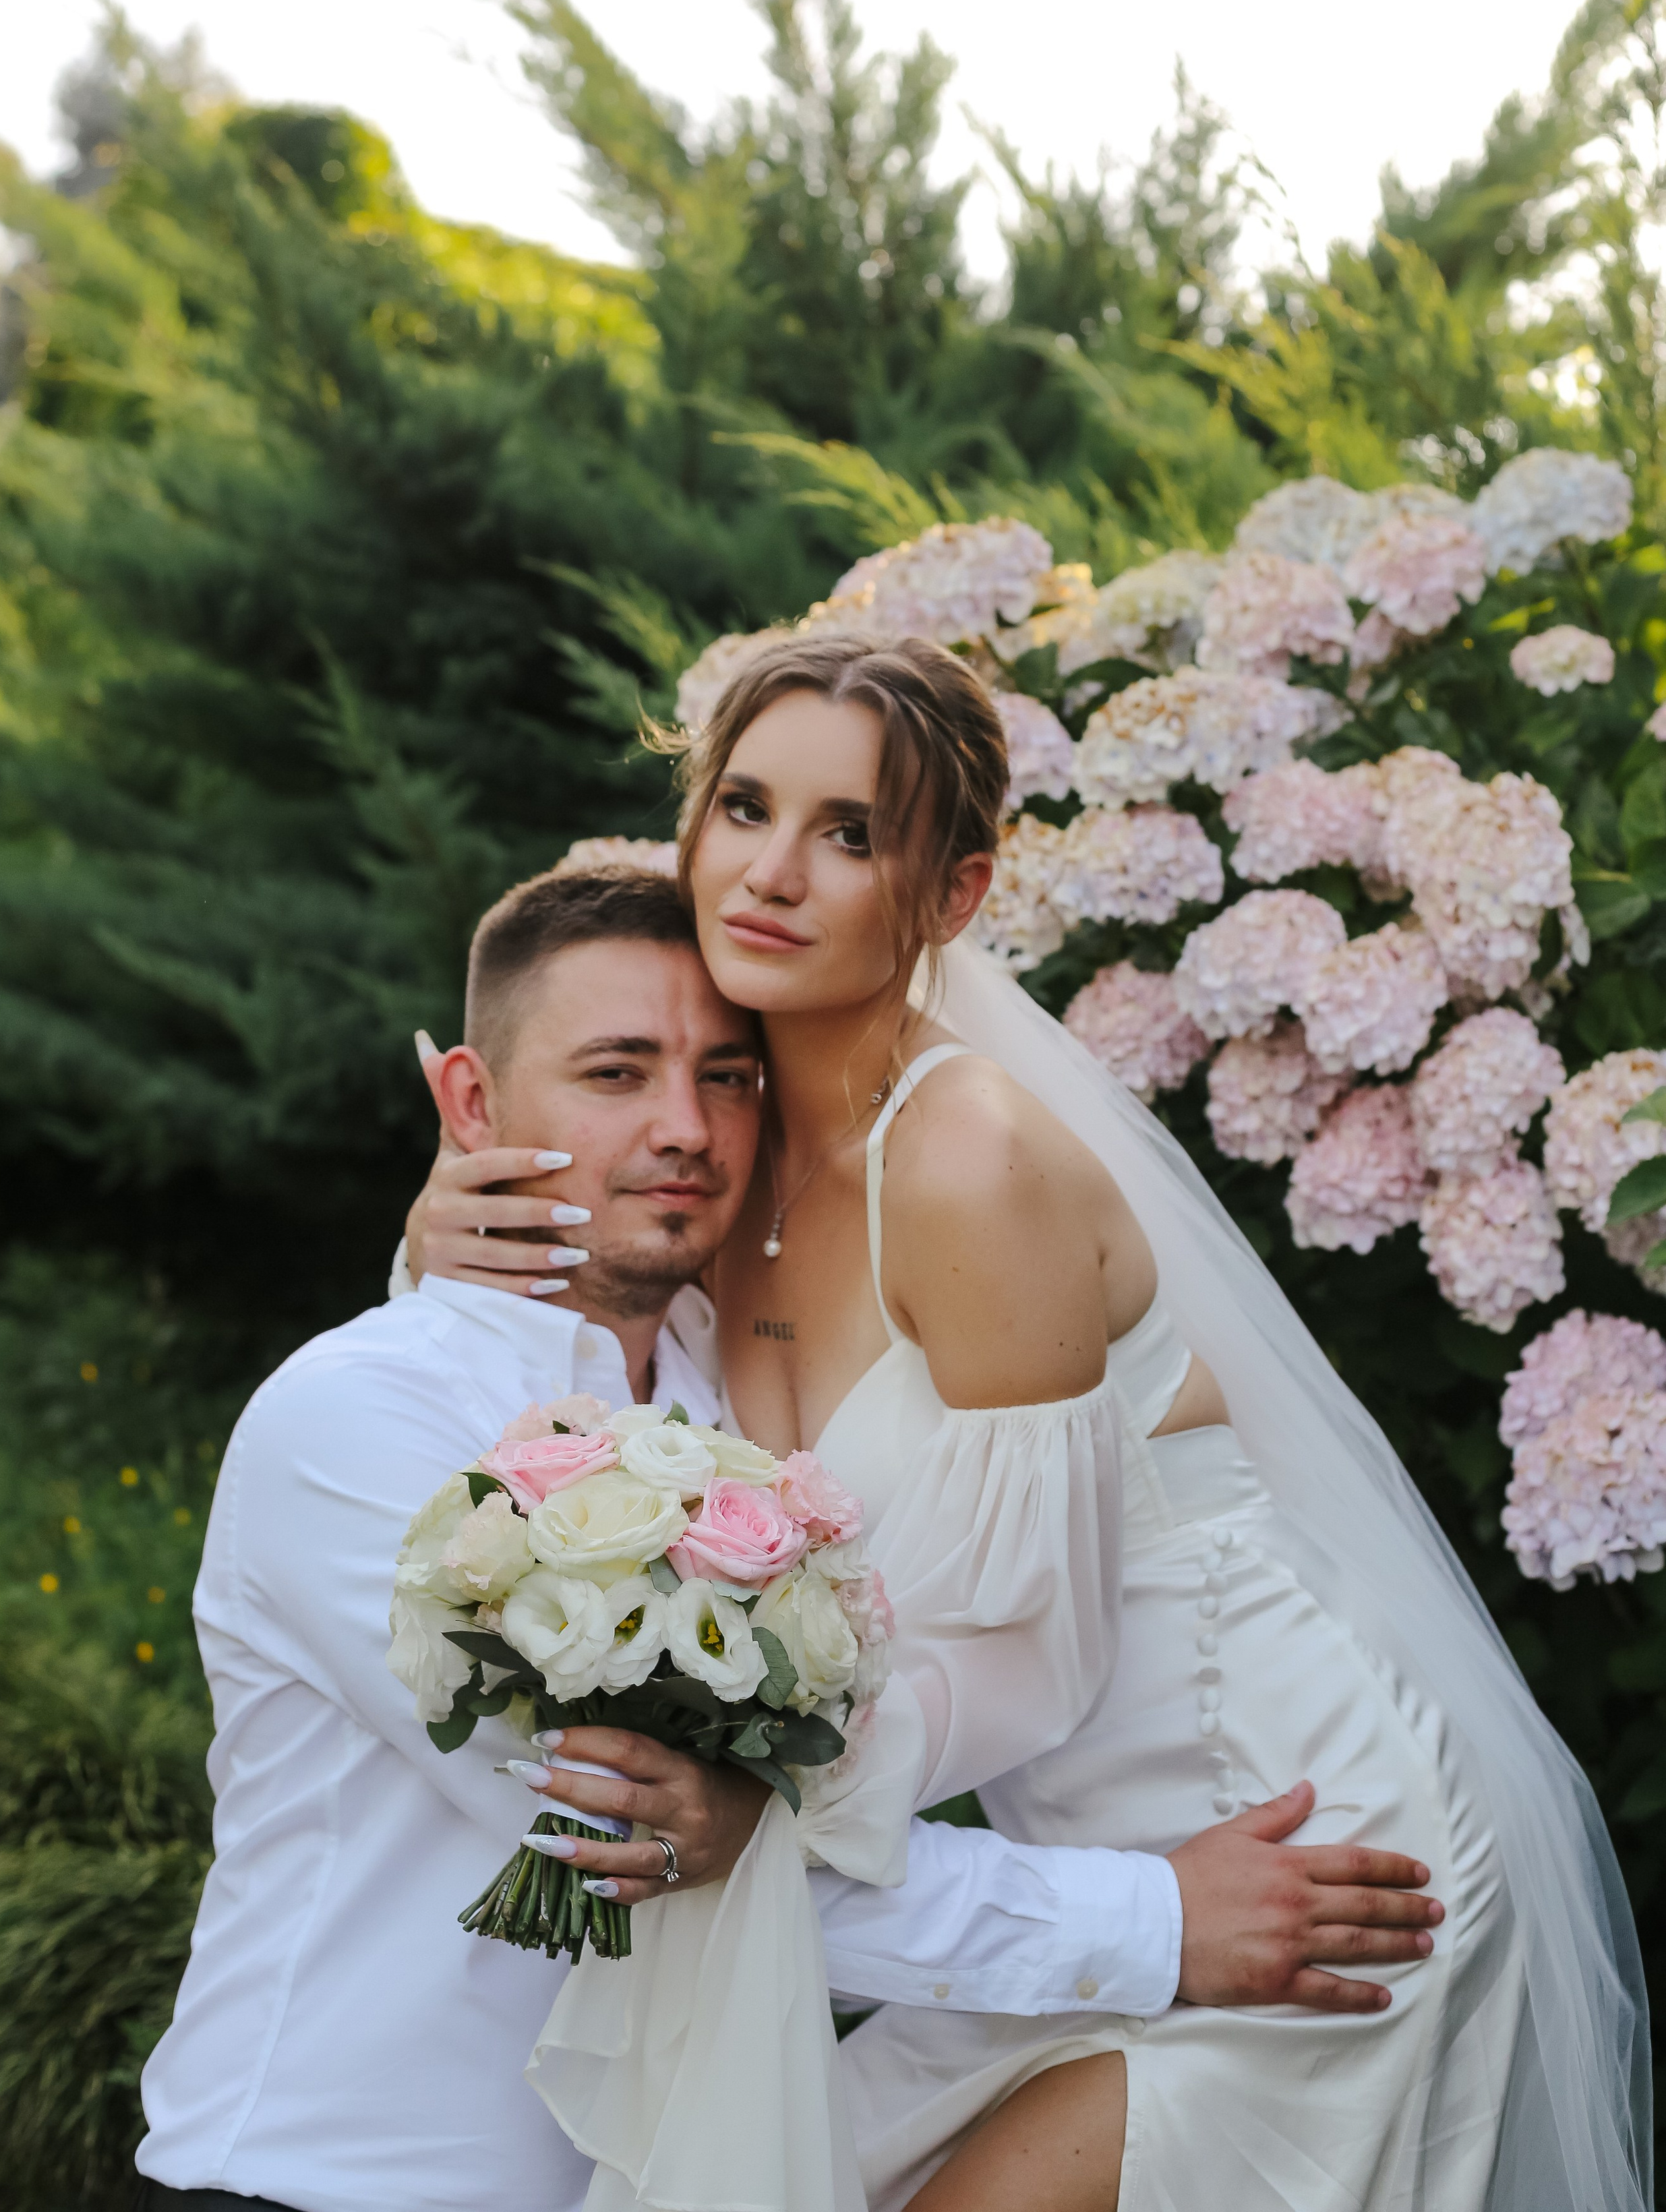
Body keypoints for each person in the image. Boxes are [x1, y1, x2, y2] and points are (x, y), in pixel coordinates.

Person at [407, 635, 1646, 2212]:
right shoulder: (723, 1154)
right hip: (1087, 1883)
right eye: (741, 808)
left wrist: (759, 1802)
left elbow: (1034, 1657)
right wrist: (443, 1228)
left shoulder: (964, 1159)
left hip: (1300, 1848)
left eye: (849, 834)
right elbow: (574, 1380)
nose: (772, 872)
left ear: (955, 896)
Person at [136, 872, 1432, 2212]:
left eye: (728, 1075)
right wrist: (1151, 1924)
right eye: (616, 1072)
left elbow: (781, 1815)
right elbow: (666, 1852)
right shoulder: (350, 1422)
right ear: (472, 1106)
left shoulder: (735, 1410)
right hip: (326, 2187)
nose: (683, 1128)